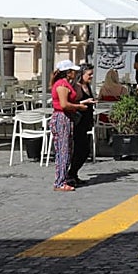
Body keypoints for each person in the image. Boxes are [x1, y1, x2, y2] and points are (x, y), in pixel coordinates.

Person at [51, 59, 93, 192]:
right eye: (73, 71)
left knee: (67, 150)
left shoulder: (65, 84)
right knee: (63, 150)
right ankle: (60, 181)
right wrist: (79, 106)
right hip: (62, 117)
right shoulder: (62, 85)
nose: (75, 73)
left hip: (67, 118)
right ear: (68, 73)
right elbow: (64, 104)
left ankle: (62, 179)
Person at [68, 63, 95, 187]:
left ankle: (74, 174)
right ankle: (71, 174)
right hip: (78, 121)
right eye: (89, 74)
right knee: (81, 149)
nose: (91, 76)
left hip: (86, 120)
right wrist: (86, 101)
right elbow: (72, 103)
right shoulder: (77, 87)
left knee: (83, 149)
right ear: (82, 74)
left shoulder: (87, 86)